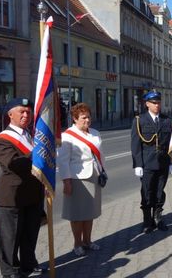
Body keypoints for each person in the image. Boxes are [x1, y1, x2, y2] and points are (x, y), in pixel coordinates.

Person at [0, 98, 47, 277]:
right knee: (10, 239)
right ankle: (10, 272)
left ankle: (28, 265)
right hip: (12, 197)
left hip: (33, 195)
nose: (26, 115)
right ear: (10, 115)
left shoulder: (29, 134)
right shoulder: (2, 138)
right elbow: (13, 163)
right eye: (21, 111)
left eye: (28, 112)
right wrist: (38, 153)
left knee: (29, 235)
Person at [57, 103, 104, 256]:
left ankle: (88, 241)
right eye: (83, 117)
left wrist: (102, 171)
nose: (87, 120)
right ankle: (77, 243)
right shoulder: (68, 136)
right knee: (77, 214)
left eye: (89, 117)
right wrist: (67, 181)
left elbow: (100, 155)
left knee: (89, 213)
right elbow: (63, 161)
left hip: (94, 176)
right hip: (77, 178)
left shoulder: (95, 133)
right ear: (75, 118)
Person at [131, 90, 172, 234]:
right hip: (147, 164)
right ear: (147, 104)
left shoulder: (167, 120)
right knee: (147, 192)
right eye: (154, 103)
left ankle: (158, 218)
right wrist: (137, 164)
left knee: (159, 192)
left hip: (162, 162)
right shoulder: (139, 121)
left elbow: (171, 144)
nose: (157, 105)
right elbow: (135, 145)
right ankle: (147, 221)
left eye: (158, 102)